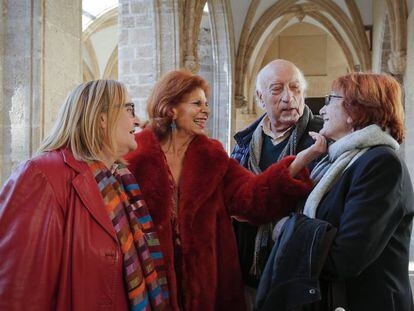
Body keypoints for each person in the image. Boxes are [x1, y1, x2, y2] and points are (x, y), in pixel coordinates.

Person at [124, 70, 326, 311]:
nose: (206, 111)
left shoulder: (213, 156)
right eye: (197, 104)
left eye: (206, 104)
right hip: (150, 283)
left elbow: (253, 197)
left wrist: (299, 162)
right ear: (171, 108)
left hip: (210, 287)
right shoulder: (135, 157)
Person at [0, 80, 170, 310]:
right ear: (102, 118)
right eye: (129, 109)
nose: (137, 120)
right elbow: (18, 291)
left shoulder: (120, 179)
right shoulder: (41, 175)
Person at [301, 72, 413, 310]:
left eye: (331, 100)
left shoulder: (381, 164)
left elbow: (345, 258)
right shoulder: (335, 162)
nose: (322, 111)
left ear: (355, 110)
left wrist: (289, 233)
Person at [230, 59, 323, 306]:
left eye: (295, 88)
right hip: (250, 272)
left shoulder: (321, 141)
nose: (288, 97)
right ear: (261, 98)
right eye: (277, 89)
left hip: (297, 276)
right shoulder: (243, 145)